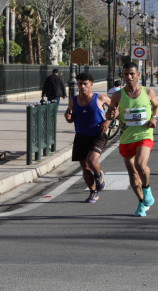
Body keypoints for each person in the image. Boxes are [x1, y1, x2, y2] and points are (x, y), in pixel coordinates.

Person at [106, 62, 158, 217]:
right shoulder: (117, 95)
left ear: (138, 75)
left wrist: (155, 118)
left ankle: (147, 188)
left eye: (132, 74)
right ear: (122, 76)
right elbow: (110, 114)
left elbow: (157, 106)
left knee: (140, 165)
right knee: (132, 173)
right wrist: (109, 115)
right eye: (125, 74)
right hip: (126, 137)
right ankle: (141, 201)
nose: (129, 77)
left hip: (144, 135)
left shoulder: (148, 92)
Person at [64, 73, 111, 203]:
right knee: (85, 167)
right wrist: (68, 118)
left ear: (91, 84)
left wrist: (108, 121)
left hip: (98, 134)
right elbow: (71, 117)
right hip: (81, 135)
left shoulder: (100, 98)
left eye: (85, 83)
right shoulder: (73, 100)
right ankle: (93, 192)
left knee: (91, 161)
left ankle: (98, 175)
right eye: (80, 83)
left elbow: (115, 108)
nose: (82, 86)